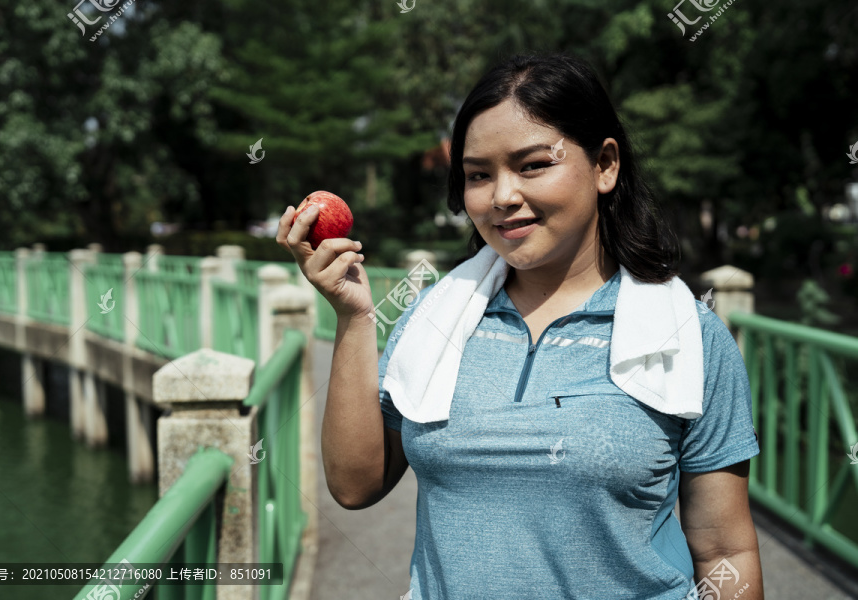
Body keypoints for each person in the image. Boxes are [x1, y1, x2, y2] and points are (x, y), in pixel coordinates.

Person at [277, 51, 763, 599]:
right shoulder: (435, 322)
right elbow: (354, 485)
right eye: (478, 175)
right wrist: (355, 316)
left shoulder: (688, 335)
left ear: (605, 165)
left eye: (533, 165)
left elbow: (726, 551)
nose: (502, 197)